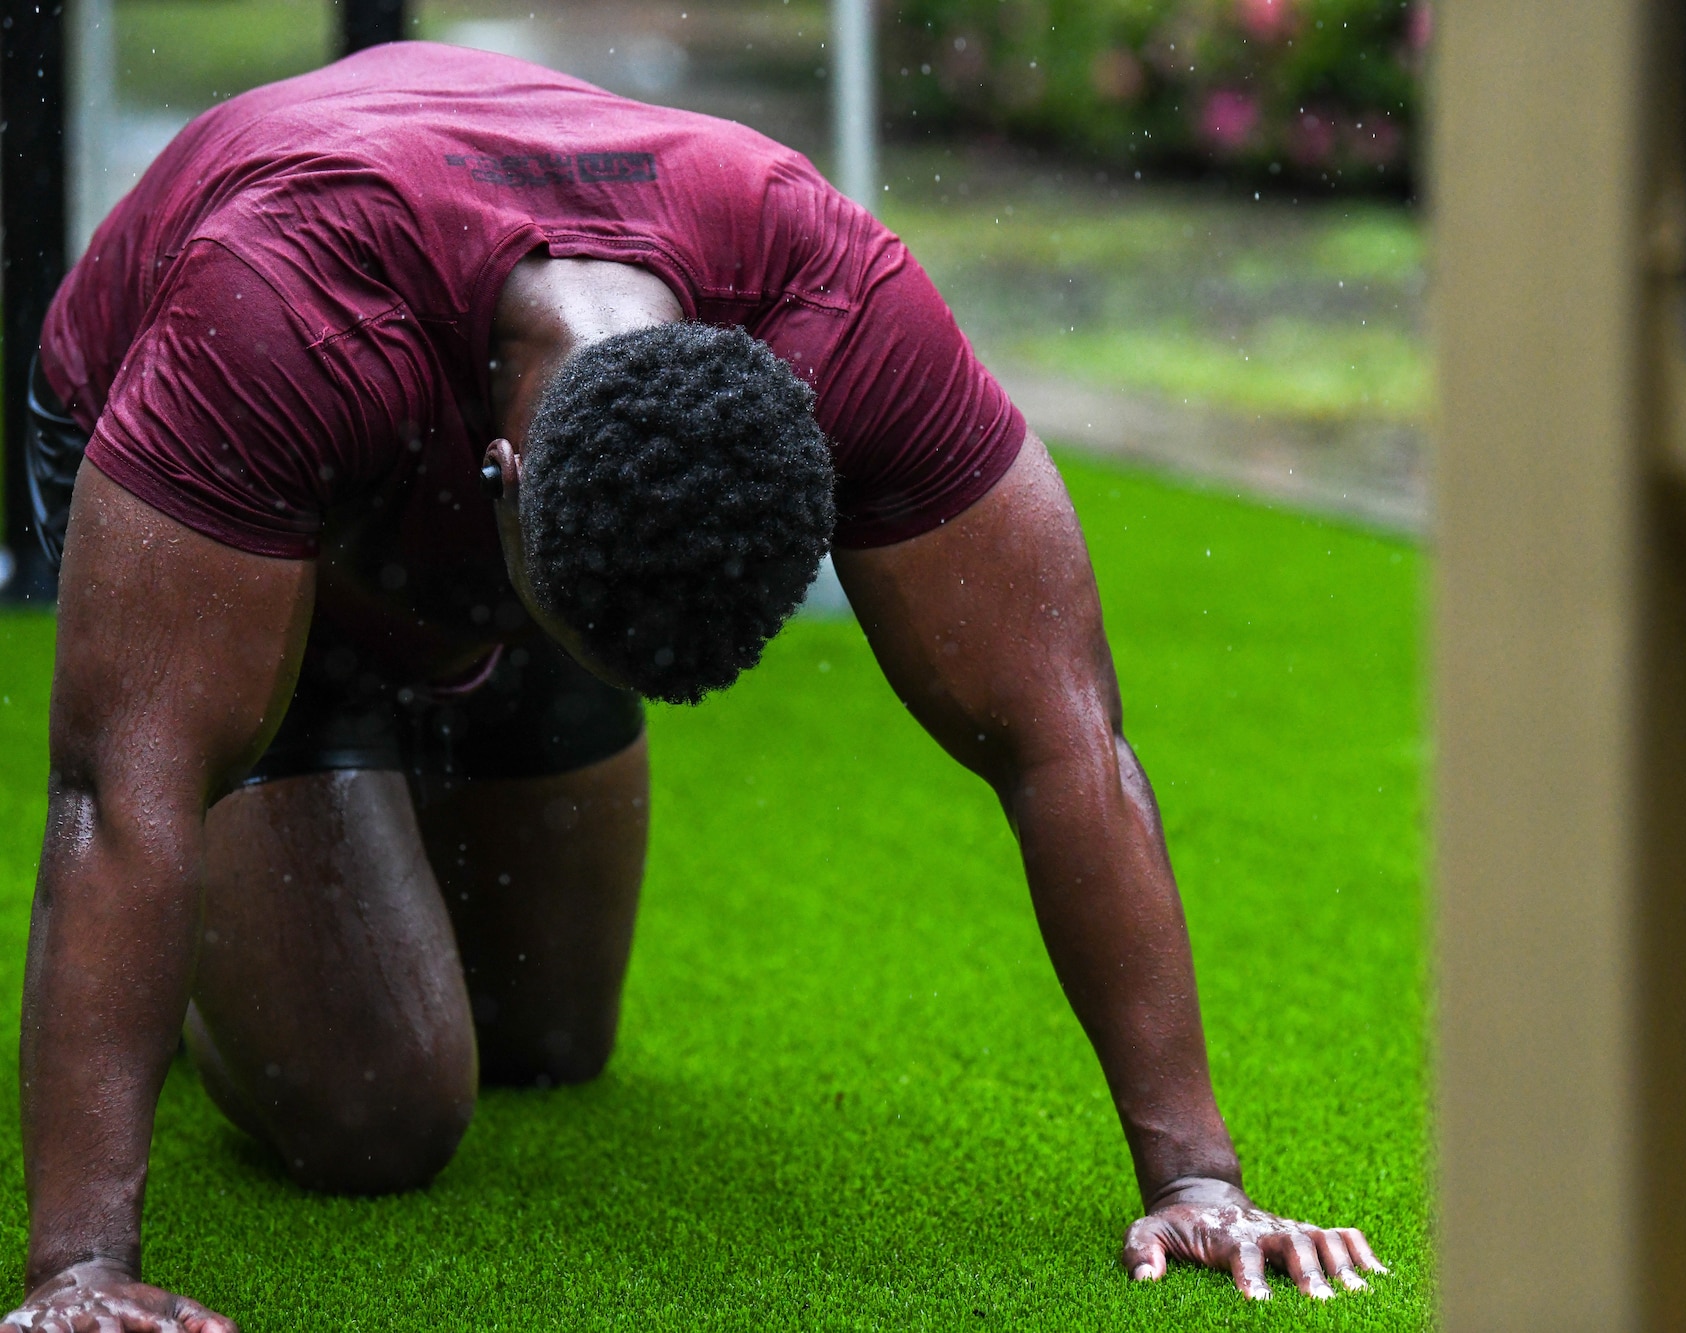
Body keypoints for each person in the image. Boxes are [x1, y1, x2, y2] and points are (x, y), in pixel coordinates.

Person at [5, 42, 1386, 1331]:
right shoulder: (281, 314)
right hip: (236, 478)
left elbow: (1061, 735)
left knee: (548, 1037)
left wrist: (1197, 1175)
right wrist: (79, 1266)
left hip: (476, 467)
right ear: (506, 487)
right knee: (378, 1109)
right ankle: (220, 929)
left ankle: (358, 813)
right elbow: (118, 787)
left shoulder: (837, 306)